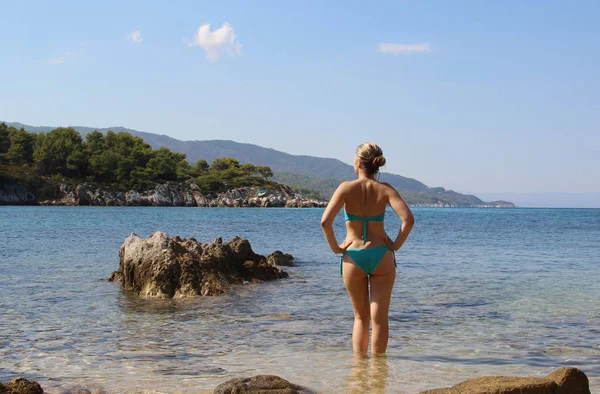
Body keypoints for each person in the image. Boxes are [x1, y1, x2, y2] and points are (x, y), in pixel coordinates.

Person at [320, 142, 414, 356]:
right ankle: (379, 374)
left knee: (360, 317)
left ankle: (359, 372)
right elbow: (408, 220)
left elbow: (325, 222)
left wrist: (336, 248)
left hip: (353, 256)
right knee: (379, 319)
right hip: (381, 255)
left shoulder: (345, 188)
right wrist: (396, 245)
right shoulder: (386, 189)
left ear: (358, 163)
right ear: (376, 165)